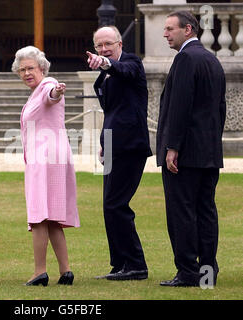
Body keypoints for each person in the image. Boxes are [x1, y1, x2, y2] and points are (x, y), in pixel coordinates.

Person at [157, 11, 226, 287]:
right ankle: (207, 273)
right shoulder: (212, 59)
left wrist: (173, 147)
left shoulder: (186, 58)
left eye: (169, 29)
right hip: (208, 152)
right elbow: (219, 109)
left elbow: (179, 107)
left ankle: (188, 272)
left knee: (182, 211)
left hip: (184, 155)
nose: (165, 34)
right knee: (206, 211)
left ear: (188, 29)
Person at [86, 26, 152, 281]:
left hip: (130, 145)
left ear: (120, 43)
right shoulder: (105, 75)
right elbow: (112, 112)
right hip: (114, 144)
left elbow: (124, 70)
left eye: (107, 44)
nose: (103, 49)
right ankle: (120, 263)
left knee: (117, 204)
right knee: (109, 206)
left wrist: (105, 62)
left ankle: (136, 265)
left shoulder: (131, 62)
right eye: (98, 45)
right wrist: (105, 141)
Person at [12, 46, 80, 286]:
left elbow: (53, 94)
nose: (26, 73)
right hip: (53, 157)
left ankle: (40, 271)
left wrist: (57, 92)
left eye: (30, 68)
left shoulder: (48, 84)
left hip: (45, 158)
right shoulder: (36, 91)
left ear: (42, 68)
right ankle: (66, 270)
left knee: (39, 215)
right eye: (22, 70)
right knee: (51, 218)